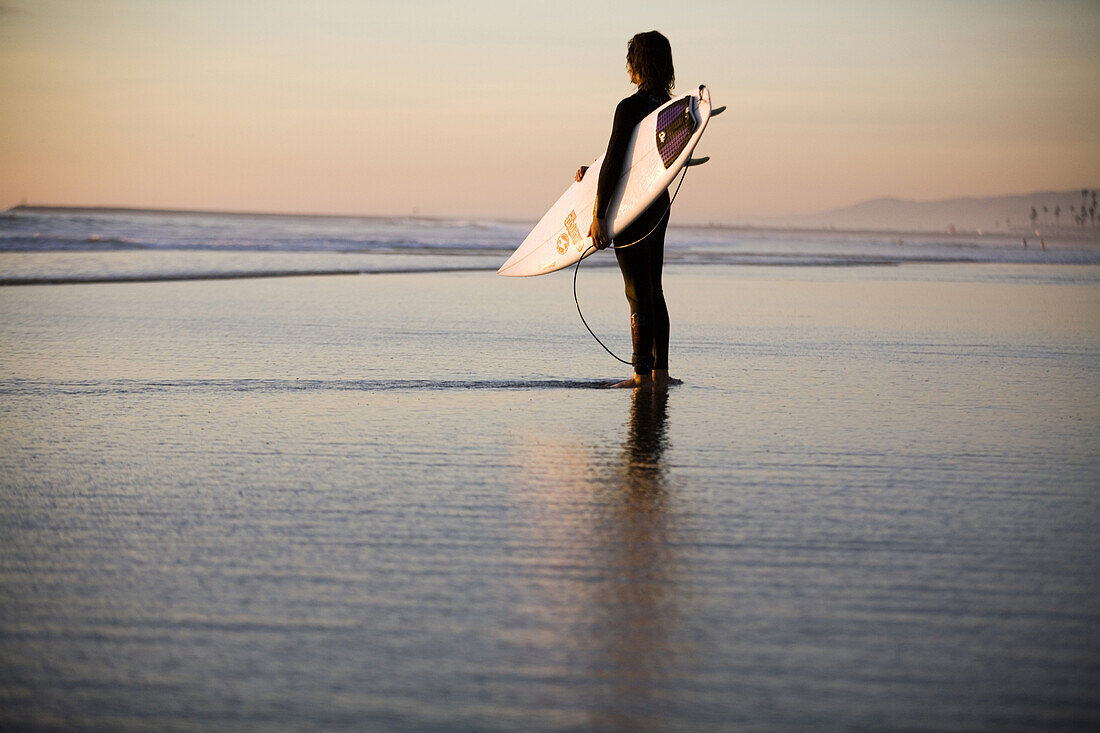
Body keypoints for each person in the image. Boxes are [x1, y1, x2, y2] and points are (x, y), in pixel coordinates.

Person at [576, 31, 682, 390]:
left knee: (636, 290)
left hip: (630, 208)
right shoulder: (667, 109)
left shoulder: (630, 107)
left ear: (636, 63)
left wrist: (598, 214)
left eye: (630, 59)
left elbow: (618, 164)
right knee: (654, 287)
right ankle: (661, 374)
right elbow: (636, 160)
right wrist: (591, 172)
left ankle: (640, 374)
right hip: (657, 204)